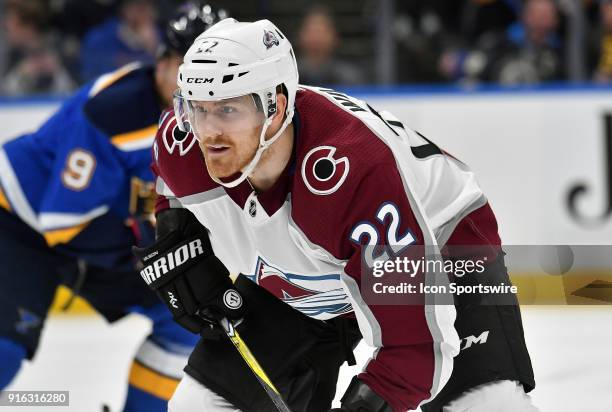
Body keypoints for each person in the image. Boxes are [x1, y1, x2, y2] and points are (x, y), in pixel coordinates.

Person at [138, 18, 537, 411]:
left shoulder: (355, 174)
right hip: (305, 269)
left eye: (228, 109)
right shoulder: (183, 140)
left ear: (276, 107)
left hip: (440, 242)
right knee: (198, 404)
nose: (208, 133)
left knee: (490, 403)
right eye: (197, 109)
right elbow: (169, 187)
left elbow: (416, 348)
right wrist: (177, 232)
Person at [0, 3, 226, 411]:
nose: (199, 85)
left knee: (190, 320)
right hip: (18, 224)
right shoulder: (115, 112)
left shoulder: (211, 127)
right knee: (6, 350)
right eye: (189, 69)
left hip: (95, 240)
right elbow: (62, 221)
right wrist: (150, 251)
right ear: (164, 62)